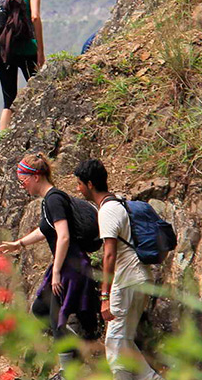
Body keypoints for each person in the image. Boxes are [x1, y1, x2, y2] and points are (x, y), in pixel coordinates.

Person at [0, 153, 98, 379]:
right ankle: (80, 347)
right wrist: (18, 244)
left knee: (55, 317)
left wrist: (57, 272)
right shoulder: (50, 200)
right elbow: (45, 230)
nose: (22, 186)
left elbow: (63, 236)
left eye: (23, 181)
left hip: (71, 266)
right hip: (66, 265)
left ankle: (67, 371)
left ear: (36, 177)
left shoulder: (54, 199)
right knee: (40, 310)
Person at [74, 159, 164, 380]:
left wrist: (105, 296)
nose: (78, 189)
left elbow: (109, 255)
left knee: (114, 342)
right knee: (124, 340)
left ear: (89, 184)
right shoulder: (119, 203)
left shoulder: (107, 211)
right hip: (141, 277)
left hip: (126, 281)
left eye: (79, 184)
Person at [0, 0, 45, 131]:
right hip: (26, 48)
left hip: (3, 48)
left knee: (8, 101)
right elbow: (35, 16)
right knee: (40, 91)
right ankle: (39, 131)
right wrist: (40, 51)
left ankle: (1, 143)